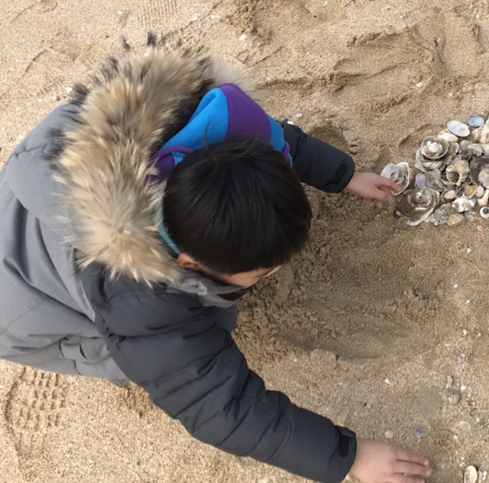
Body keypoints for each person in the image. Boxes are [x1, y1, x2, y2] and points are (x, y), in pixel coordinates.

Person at [0, 36, 431, 483]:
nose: (274, 273)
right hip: (19, 312)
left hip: (41, 202)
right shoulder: (139, 299)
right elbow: (219, 406)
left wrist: (344, 175)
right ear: (188, 263)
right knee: (138, 354)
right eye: (262, 272)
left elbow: (278, 144)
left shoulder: (210, 126)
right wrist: (348, 457)